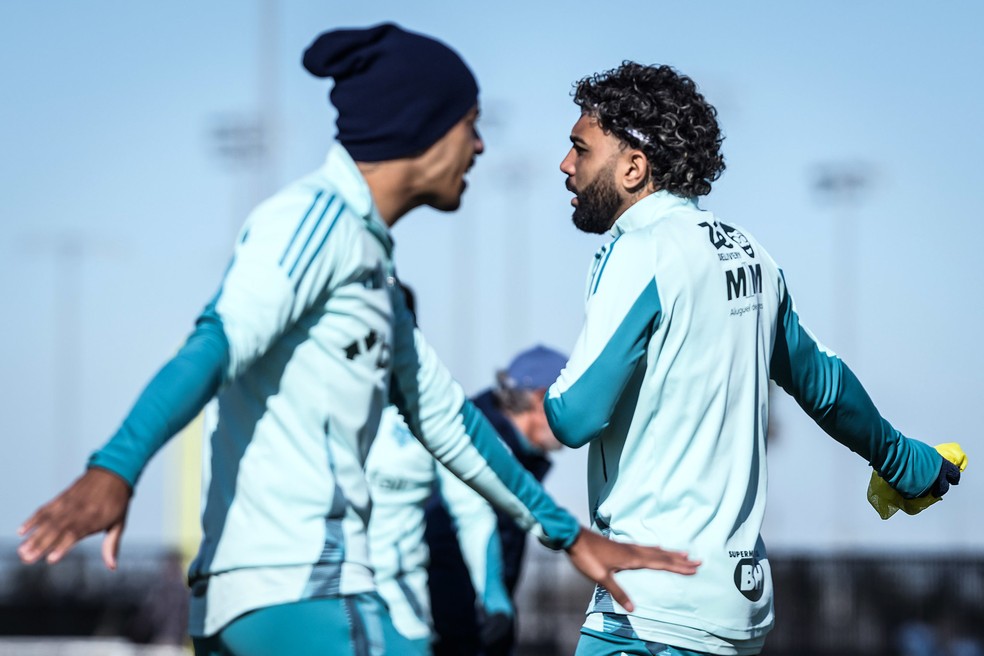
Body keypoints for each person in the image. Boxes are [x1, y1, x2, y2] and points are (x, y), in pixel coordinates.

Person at [16, 26, 701, 656]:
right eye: (471, 125)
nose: (482, 146)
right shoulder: (315, 221)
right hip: (295, 592)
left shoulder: (369, 262)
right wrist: (115, 467)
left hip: (299, 597)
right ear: (424, 130)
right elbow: (214, 342)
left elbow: (451, 422)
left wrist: (569, 535)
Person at [543, 61, 963, 656]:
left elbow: (572, 416)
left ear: (633, 167)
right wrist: (904, 461)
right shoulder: (752, 255)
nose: (566, 167)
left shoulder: (640, 249)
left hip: (650, 612)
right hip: (738, 611)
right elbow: (823, 384)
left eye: (579, 149)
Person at [366, 285, 512, 656]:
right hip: (320, 610)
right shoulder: (312, 402)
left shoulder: (431, 411)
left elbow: (473, 512)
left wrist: (492, 593)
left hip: (402, 621)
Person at [426, 345, 567, 656]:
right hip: (453, 635)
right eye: (571, 402)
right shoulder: (470, 445)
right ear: (541, 398)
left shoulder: (502, 447)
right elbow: (436, 534)